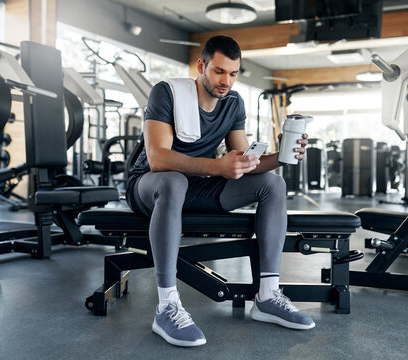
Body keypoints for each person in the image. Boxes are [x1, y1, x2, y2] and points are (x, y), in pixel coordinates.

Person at [126, 35, 313, 348]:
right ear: (202, 66)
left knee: (273, 184)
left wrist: (281, 156)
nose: (226, 81)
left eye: (233, 73)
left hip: (197, 185)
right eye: (219, 71)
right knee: (174, 180)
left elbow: (243, 162)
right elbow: (158, 159)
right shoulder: (167, 93)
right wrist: (217, 167)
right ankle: (167, 306)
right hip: (150, 185)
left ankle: (267, 295)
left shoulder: (233, 102)